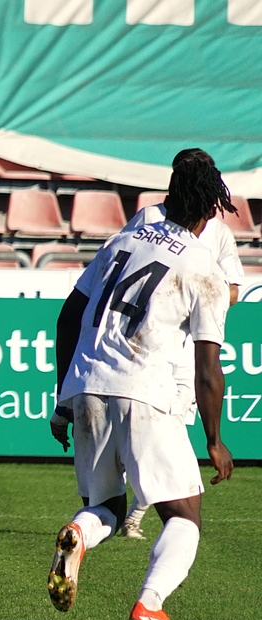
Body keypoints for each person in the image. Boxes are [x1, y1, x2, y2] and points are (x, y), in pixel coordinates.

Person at [47, 152, 235, 620]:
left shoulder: (121, 240)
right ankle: (149, 605)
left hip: (87, 386)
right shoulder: (204, 267)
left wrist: (63, 398)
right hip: (145, 391)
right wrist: (214, 440)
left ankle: (78, 532)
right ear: (210, 210)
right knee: (184, 514)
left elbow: (67, 319)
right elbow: (207, 368)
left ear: (169, 197)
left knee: (106, 507)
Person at [116, 149, 244, 539]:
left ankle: (127, 515)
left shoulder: (217, 232)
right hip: (144, 344)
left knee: (167, 432)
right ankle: (129, 515)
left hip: (187, 349)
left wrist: (202, 301)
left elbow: (232, 288)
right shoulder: (149, 218)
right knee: (151, 437)